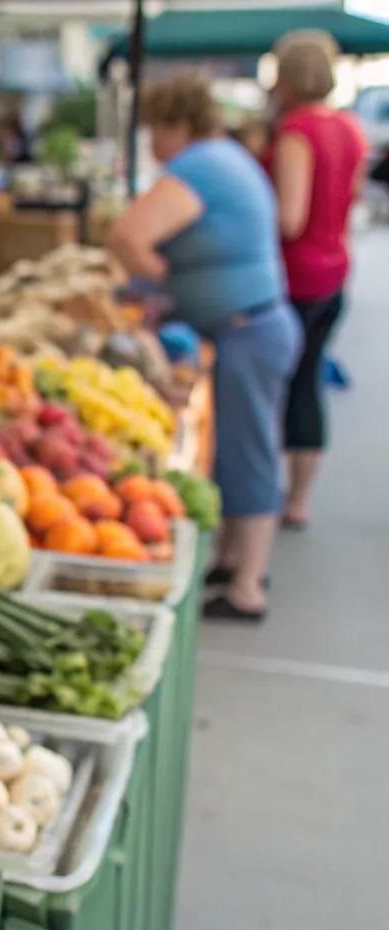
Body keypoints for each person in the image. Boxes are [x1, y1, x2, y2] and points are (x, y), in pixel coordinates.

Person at [108, 74, 301, 622]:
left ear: (177, 125)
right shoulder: (228, 158)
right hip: (254, 325)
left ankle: (248, 587)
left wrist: (159, 279)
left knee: (250, 451)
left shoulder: (199, 166)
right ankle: (235, 561)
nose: (151, 146)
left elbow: (127, 236)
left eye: (155, 131)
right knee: (242, 448)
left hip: (250, 330)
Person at [267, 32, 366, 528]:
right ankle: (299, 497)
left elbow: (290, 216)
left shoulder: (297, 130)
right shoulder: (349, 128)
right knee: (309, 382)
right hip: (335, 268)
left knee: (285, 385)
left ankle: (277, 495)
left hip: (296, 276)